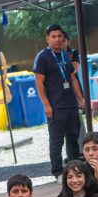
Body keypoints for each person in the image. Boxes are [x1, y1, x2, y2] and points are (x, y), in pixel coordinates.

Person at [33, 24, 85, 178]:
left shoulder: (66, 55)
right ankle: (57, 172)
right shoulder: (42, 57)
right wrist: (46, 105)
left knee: (73, 138)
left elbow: (73, 79)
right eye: (53, 36)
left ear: (63, 38)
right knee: (56, 141)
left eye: (59, 36)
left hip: (71, 105)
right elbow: (39, 83)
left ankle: (74, 169)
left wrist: (81, 99)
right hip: (55, 107)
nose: (57, 39)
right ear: (47, 39)